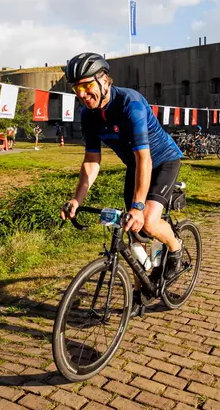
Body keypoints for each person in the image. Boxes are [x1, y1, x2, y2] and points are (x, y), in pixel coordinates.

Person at [59, 52, 184, 317]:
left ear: (105, 80)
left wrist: (139, 206)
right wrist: (76, 199)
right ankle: (141, 288)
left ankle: (175, 248)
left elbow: (144, 158)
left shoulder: (131, 104)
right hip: (136, 166)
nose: (81, 94)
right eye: (76, 88)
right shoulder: (88, 114)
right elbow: (92, 161)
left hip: (162, 160)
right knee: (132, 232)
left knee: (147, 221)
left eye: (86, 85)